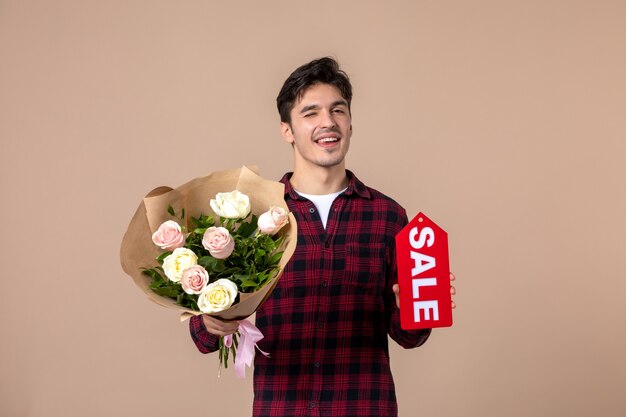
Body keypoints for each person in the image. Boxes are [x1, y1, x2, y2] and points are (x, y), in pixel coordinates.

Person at [189, 57, 456, 417]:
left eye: (338, 110)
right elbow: (204, 337)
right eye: (310, 112)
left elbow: (410, 337)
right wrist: (211, 320)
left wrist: (421, 305)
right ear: (287, 130)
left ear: (349, 122)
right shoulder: (251, 218)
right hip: (280, 409)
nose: (327, 122)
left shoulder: (389, 217)